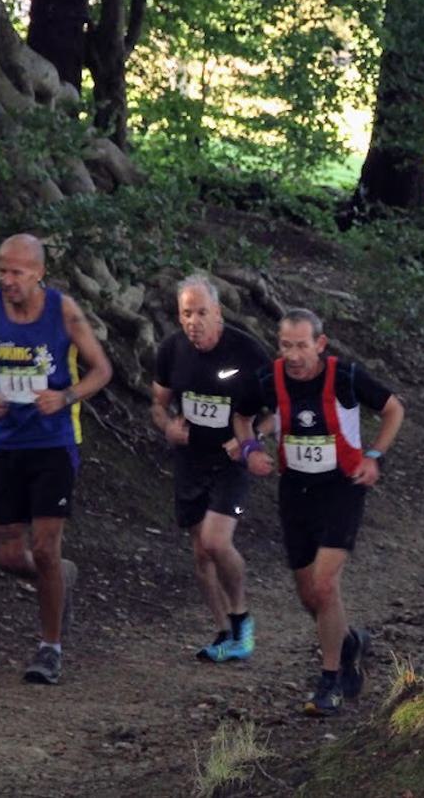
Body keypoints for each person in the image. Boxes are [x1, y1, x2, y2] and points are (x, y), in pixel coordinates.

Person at [230, 308, 404, 716]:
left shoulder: (345, 376)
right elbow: (240, 416)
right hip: (296, 490)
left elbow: (394, 408)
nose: (293, 355)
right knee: (309, 594)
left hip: (342, 487)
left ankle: (331, 680)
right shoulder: (269, 379)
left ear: (320, 345)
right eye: (286, 346)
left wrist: (374, 455)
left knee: (325, 586)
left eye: (302, 346)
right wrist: (252, 449)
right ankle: (348, 643)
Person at [0, 233, 112, 686]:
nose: (7, 280)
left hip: (54, 443)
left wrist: (66, 395)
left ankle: (49, 649)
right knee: (11, 557)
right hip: (8, 442)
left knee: (45, 548)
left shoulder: (63, 311)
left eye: (16, 272)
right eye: (1, 270)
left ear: (39, 274)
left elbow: (102, 369)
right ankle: (59, 578)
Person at [153, 274, 268, 662]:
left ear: (217, 313)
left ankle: (242, 623)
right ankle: (223, 632)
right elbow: (158, 403)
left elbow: (280, 408)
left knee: (218, 542)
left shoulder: (247, 352)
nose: (194, 321)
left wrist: (251, 440)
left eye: (202, 312)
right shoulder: (172, 350)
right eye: (187, 313)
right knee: (201, 552)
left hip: (230, 460)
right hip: (190, 462)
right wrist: (168, 426)